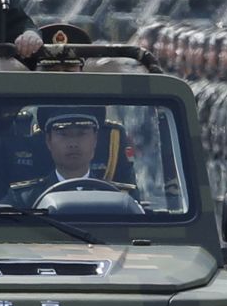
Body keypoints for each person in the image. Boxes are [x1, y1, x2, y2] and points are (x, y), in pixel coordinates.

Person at [8, 23, 138, 186]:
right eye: (52, 71)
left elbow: (128, 195)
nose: (62, 78)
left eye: (69, 69)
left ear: (81, 72)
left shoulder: (111, 136)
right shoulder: (19, 130)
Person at [1, 109, 137, 209]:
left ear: (95, 139)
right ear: (48, 141)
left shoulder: (119, 199)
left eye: (81, 134)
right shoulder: (24, 200)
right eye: (63, 134)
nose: (73, 143)